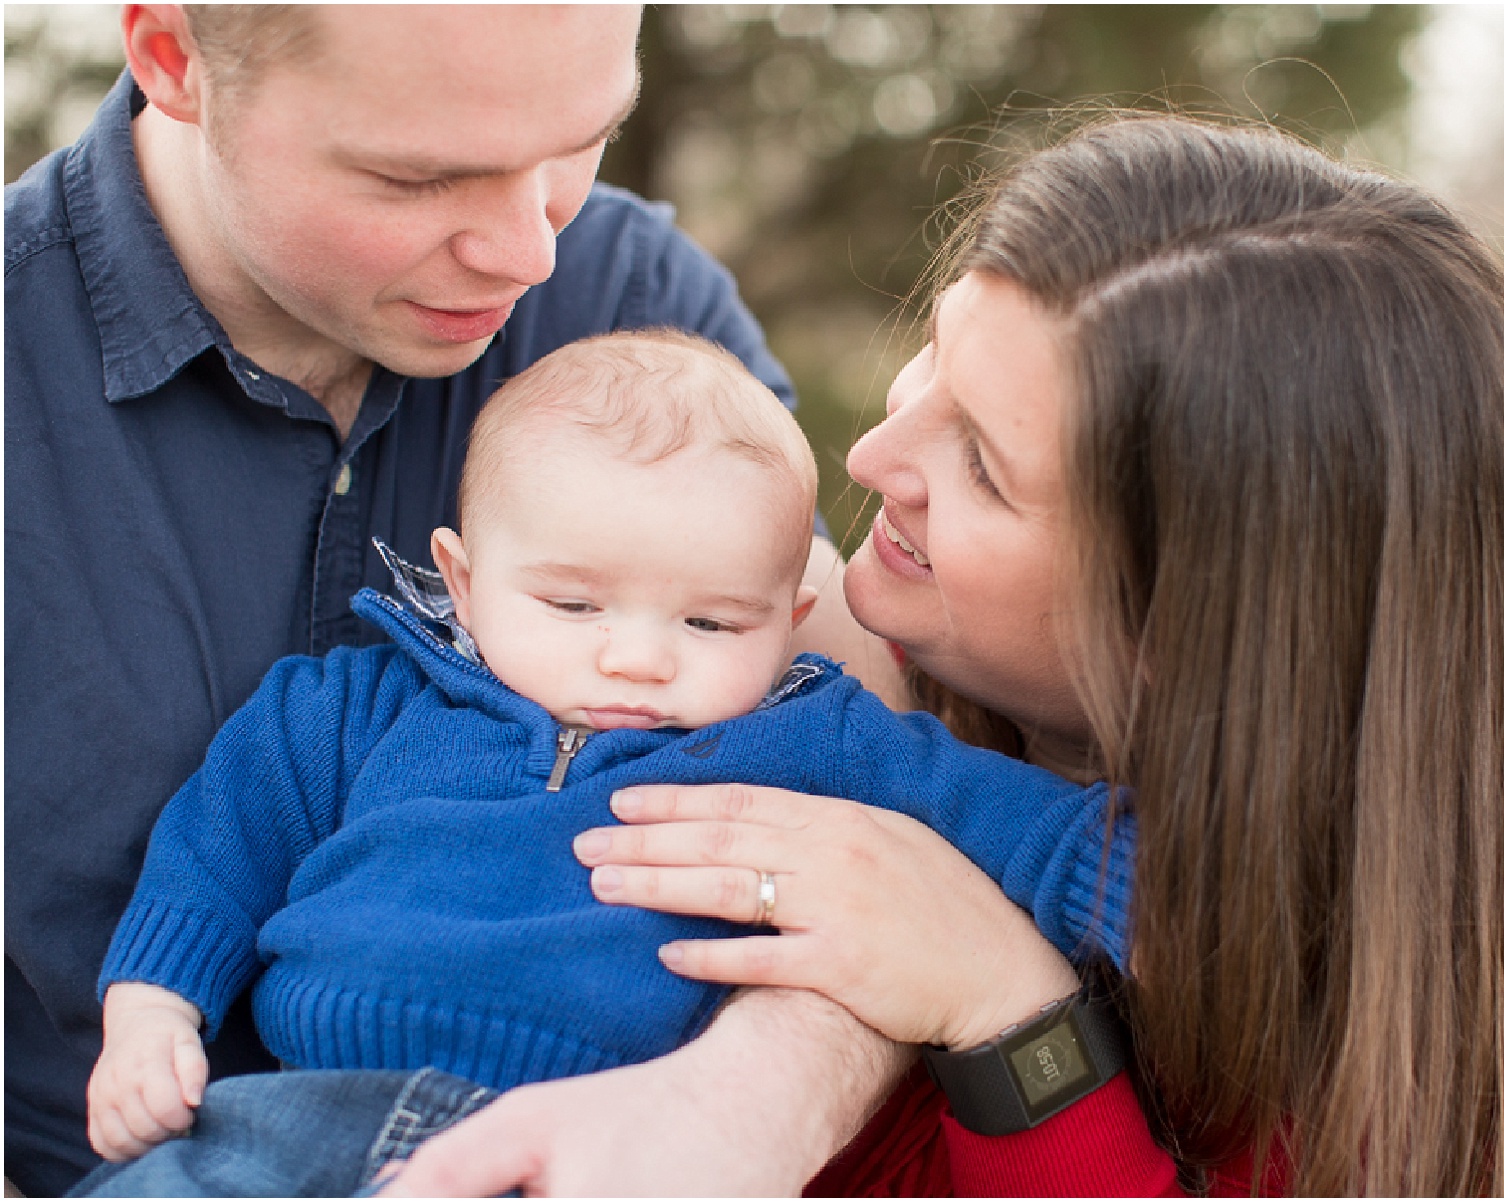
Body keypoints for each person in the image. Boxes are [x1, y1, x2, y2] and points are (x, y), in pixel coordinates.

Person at [387, 116, 1504, 1196]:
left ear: (1191, 627)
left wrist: (1013, 1015)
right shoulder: (759, 658)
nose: (874, 460)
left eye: (988, 470)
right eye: (935, 361)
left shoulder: (1384, 1023)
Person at [5, 6, 905, 1196]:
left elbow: (885, 803)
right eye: (419, 176)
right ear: (174, 59)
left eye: (583, 138)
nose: (530, 252)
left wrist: (757, 1092)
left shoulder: (637, 303)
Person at [73, 331, 1133, 1197]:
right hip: (294, 1113)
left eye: (712, 620)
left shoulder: (817, 737)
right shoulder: (359, 704)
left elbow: (1019, 825)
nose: (635, 656)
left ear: (788, 620)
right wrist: (154, 1006)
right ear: (465, 576)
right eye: (573, 604)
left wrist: (1176, 893)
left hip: (620, 1143)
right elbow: (220, 844)